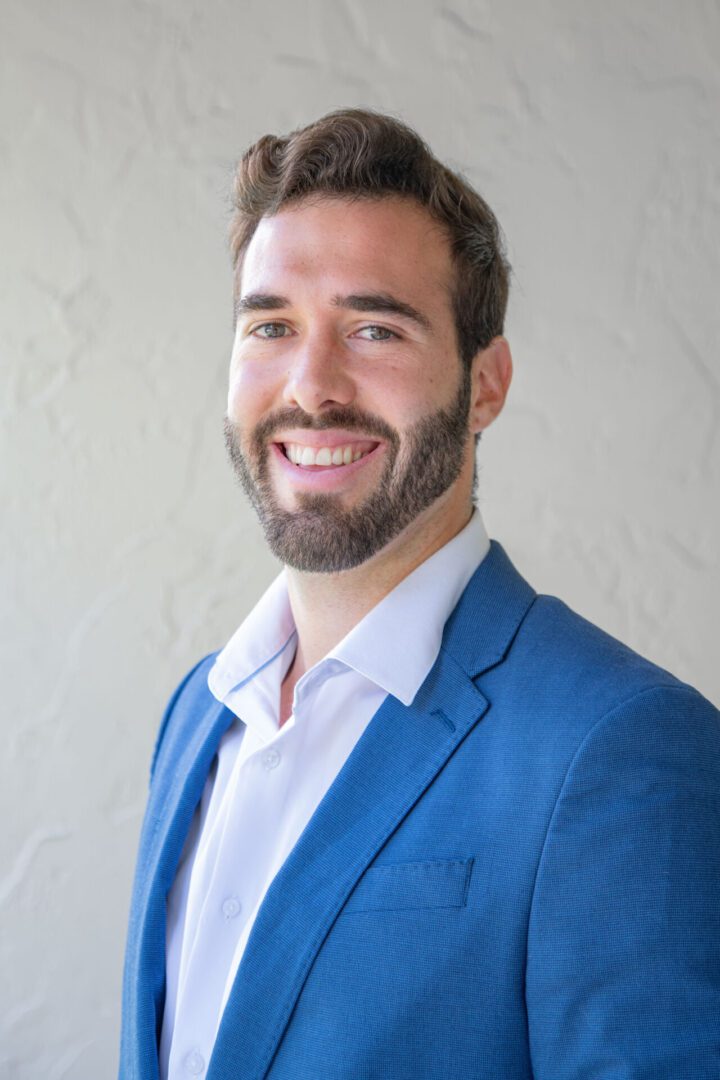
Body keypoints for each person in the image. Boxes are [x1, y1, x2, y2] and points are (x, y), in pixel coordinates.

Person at [119, 109, 720, 1080]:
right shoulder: (196, 717)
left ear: (486, 386)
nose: (311, 386)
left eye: (374, 327)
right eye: (271, 325)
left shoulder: (620, 748)